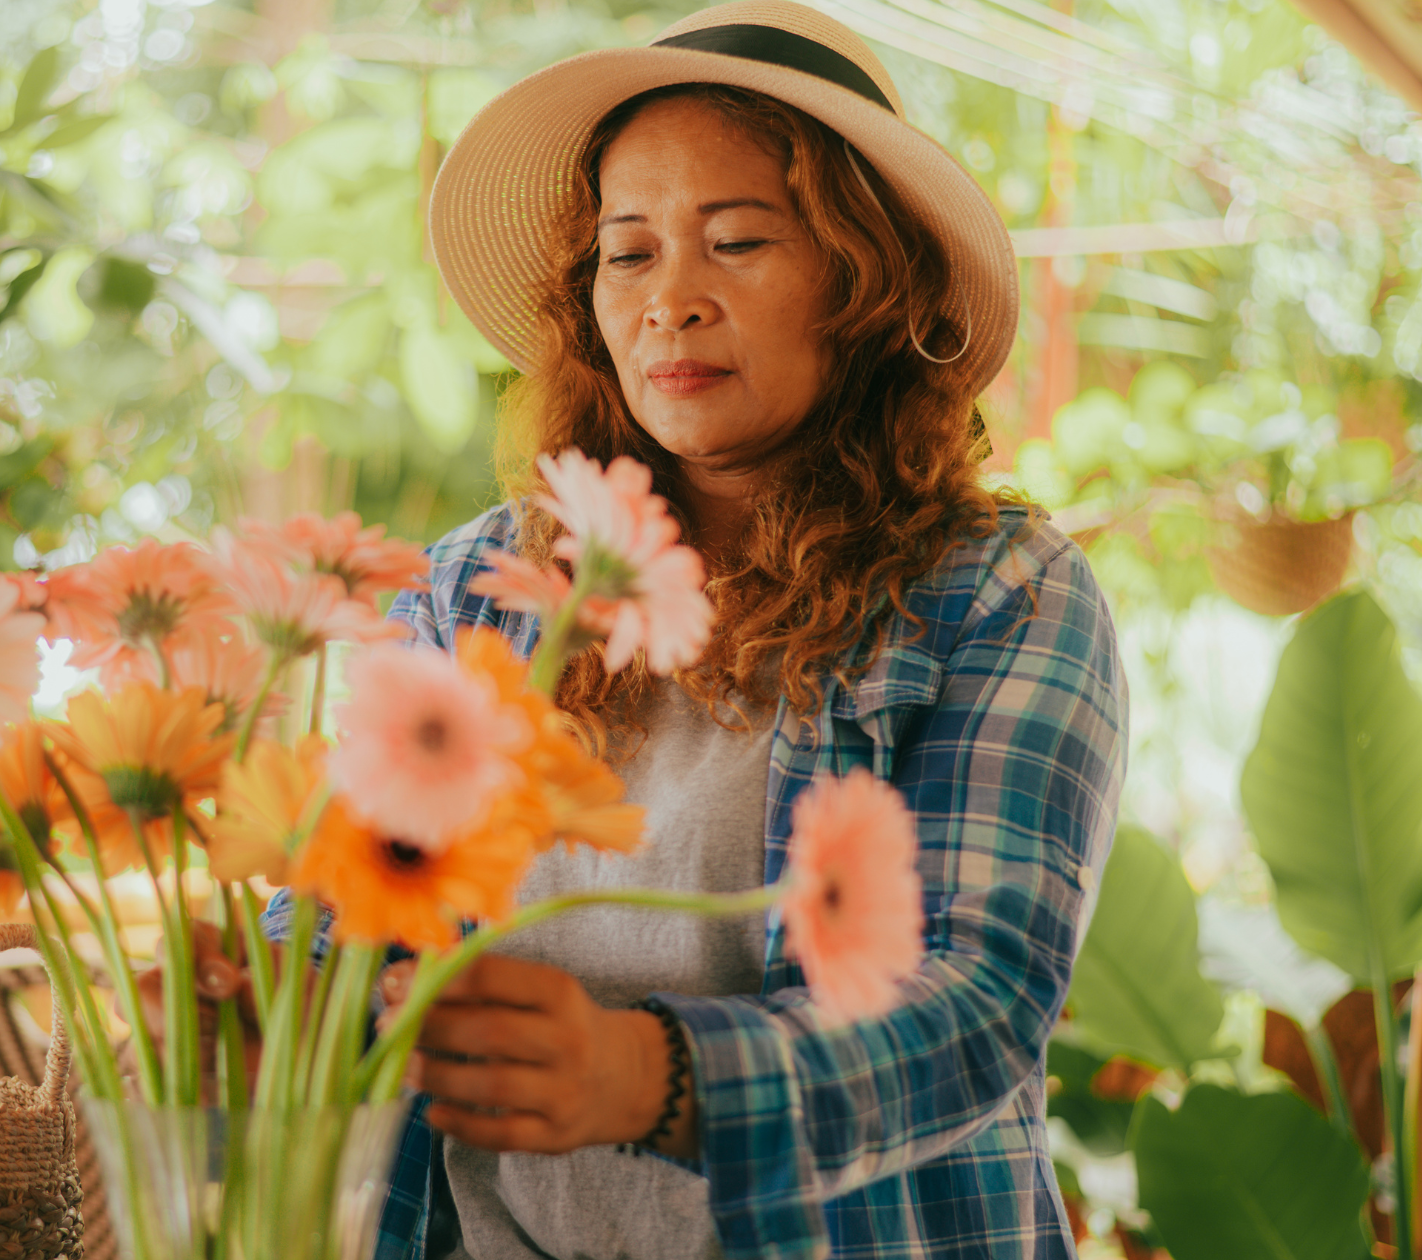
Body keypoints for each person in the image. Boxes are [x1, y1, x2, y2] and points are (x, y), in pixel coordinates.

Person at [342, 3, 1129, 1258]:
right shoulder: (471, 592)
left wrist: (647, 1076)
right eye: (627, 252)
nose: (671, 302)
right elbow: (344, 908)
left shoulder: (999, 594)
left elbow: (977, 1007)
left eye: (739, 240)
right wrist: (255, 991)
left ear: (868, 282)